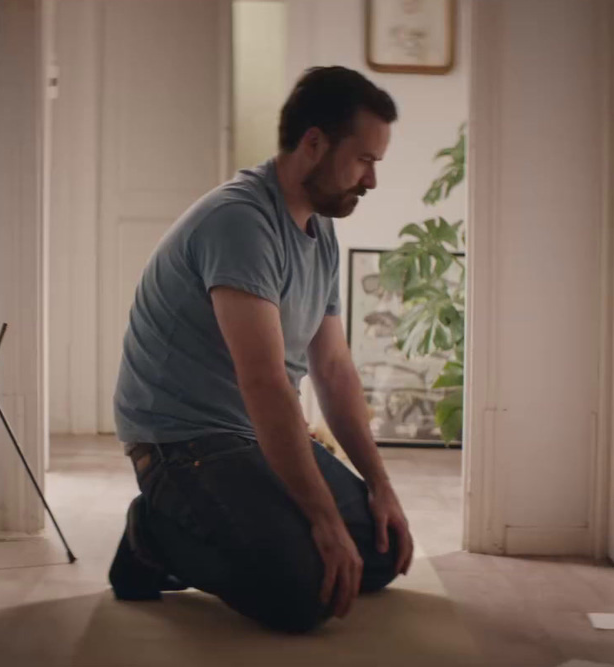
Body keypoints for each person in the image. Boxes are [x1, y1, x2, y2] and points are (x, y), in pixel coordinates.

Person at [108, 66, 414, 634]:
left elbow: (334, 368)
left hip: (251, 434)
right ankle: (152, 537)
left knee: (377, 551)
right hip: (181, 444)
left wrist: (380, 485)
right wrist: (321, 519)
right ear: (314, 144)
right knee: (301, 591)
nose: (371, 180)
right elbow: (265, 381)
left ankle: (265, 527)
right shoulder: (240, 223)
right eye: (365, 160)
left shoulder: (320, 231)